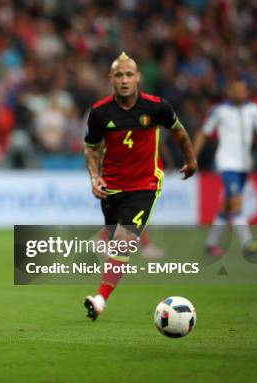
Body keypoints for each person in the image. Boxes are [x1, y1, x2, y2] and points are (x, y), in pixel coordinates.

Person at [82, 52, 197, 320]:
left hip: (144, 184)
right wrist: (94, 176)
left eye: (129, 75)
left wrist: (191, 160)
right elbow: (91, 148)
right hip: (111, 186)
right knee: (114, 239)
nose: (124, 80)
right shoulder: (100, 113)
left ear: (138, 78)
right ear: (111, 78)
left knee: (123, 241)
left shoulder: (157, 107)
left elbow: (178, 131)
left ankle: (100, 299)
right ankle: (105, 239)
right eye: (119, 75)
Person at [193, 79, 257, 256]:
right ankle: (248, 243)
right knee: (235, 201)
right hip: (226, 163)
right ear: (230, 92)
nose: (240, 93)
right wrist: (192, 156)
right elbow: (203, 132)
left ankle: (211, 243)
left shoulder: (254, 110)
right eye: (237, 90)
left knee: (227, 206)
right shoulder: (220, 111)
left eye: (243, 90)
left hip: (245, 165)